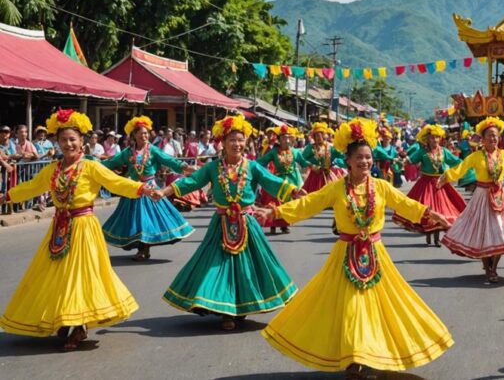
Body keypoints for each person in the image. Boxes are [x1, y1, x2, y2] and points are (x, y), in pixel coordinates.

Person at [257, 117, 453, 378]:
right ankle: (354, 361)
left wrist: (431, 214)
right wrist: (273, 213)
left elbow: (405, 204)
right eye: (359, 158)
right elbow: (309, 204)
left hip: (375, 253)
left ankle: (368, 355)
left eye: (368, 158)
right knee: (349, 308)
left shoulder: (381, 187)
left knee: (381, 306)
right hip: (345, 254)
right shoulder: (336, 188)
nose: (365, 162)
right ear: (348, 160)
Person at [0, 109, 156, 350]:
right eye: (63, 140)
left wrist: (142, 189)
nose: (68, 144)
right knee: (57, 275)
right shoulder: (53, 169)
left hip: (84, 227)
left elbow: (116, 182)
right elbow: (32, 186)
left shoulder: (91, 167)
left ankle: (80, 325)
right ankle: (65, 315)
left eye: (73, 139)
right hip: (60, 227)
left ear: (82, 141)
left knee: (81, 276)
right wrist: (7, 196)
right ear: (58, 142)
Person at [158, 114, 300, 331]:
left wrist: (294, 191)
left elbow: (272, 182)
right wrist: (164, 191)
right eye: (232, 140)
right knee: (218, 266)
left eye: (241, 140)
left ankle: (241, 306)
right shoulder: (213, 168)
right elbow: (191, 182)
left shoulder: (252, 167)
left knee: (251, 267)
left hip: (247, 222)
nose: (237, 144)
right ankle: (225, 311)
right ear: (222, 143)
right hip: (221, 223)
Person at [437, 117, 504, 283]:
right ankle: (487, 267)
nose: (493, 139)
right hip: (482, 196)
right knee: (483, 233)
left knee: (500, 232)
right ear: (483, 138)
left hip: (501, 197)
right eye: (489, 136)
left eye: (495, 135)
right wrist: (446, 177)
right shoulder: (476, 156)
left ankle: (493, 268)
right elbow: (461, 168)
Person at [101, 116, 195, 261]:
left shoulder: (153, 150)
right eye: (141, 133)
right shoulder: (127, 152)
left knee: (146, 220)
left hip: (151, 190)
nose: (145, 136)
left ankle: (144, 249)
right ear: (134, 135)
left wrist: (188, 168)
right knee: (135, 220)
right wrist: (93, 166)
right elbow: (112, 163)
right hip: (133, 189)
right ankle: (142, 248)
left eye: (146, 133)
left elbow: (169, 161)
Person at [393, 124, 465, 246]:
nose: (435, 140)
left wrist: (467, 164)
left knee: (441, 210)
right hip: (425, 184)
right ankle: (428, 234)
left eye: (437, 137)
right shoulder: (422, 152)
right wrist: (401, 162)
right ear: (427, 139)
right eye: (432, 138)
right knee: (427, 210)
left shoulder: (444, 151)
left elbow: (456, 161)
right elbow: (410, 160)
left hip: (440, 184)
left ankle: (436, 238)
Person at [257, 124, 311, 234]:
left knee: (287, 204)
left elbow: (303, 162)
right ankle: (273, 225)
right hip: (278, 180)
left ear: (291, 140)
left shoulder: (295, 152)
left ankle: (284, 224)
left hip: (291, 180)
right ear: (279, 140)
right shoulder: (273, 152)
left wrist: (312, 165)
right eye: (283, 138)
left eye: (288, 138)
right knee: (275, 201)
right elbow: (262, 161)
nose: (286, 140)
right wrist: (250, 164)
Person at [301, 122, 346, 193]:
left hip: (328, 174)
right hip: (314, 177)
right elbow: (302, 159)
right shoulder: (310, 148)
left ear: (324, 135)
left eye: (321, 135)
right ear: (314, 137)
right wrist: (312, 165)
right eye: (316, 136)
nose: (319, 137)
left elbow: (342, 156)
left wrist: (336, 161)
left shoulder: (330, 147)